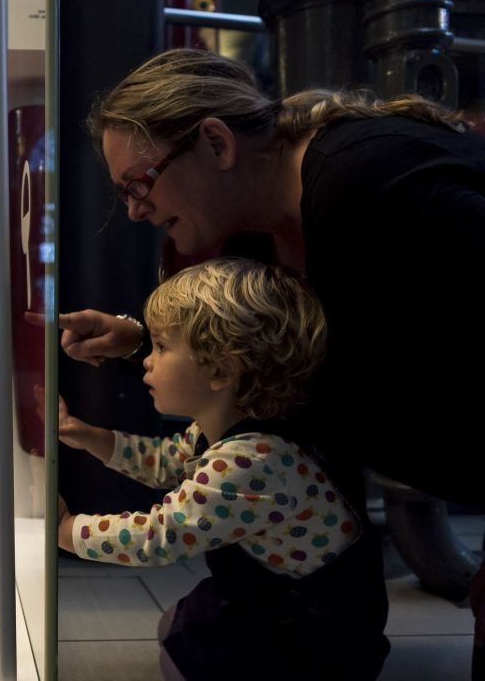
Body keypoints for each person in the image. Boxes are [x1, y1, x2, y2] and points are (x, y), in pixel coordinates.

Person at [58, 47, 485, 675]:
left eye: (139, 184)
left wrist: (68, 530)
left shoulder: (369, 180)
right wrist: (138, 343)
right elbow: (264, 364)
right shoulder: (253, 237)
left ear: (215, 142)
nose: (135, 210)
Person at [57, 257, 388, 680]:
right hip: (276, 596)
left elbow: (161, 536)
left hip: (316, 635)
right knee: (177, 623)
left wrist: (67, 531)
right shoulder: (227, 430)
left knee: (186, 652)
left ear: (220, 369)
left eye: (161, 346)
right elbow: (166, 462)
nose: (145, 360)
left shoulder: (252, 462)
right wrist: (83, 433)